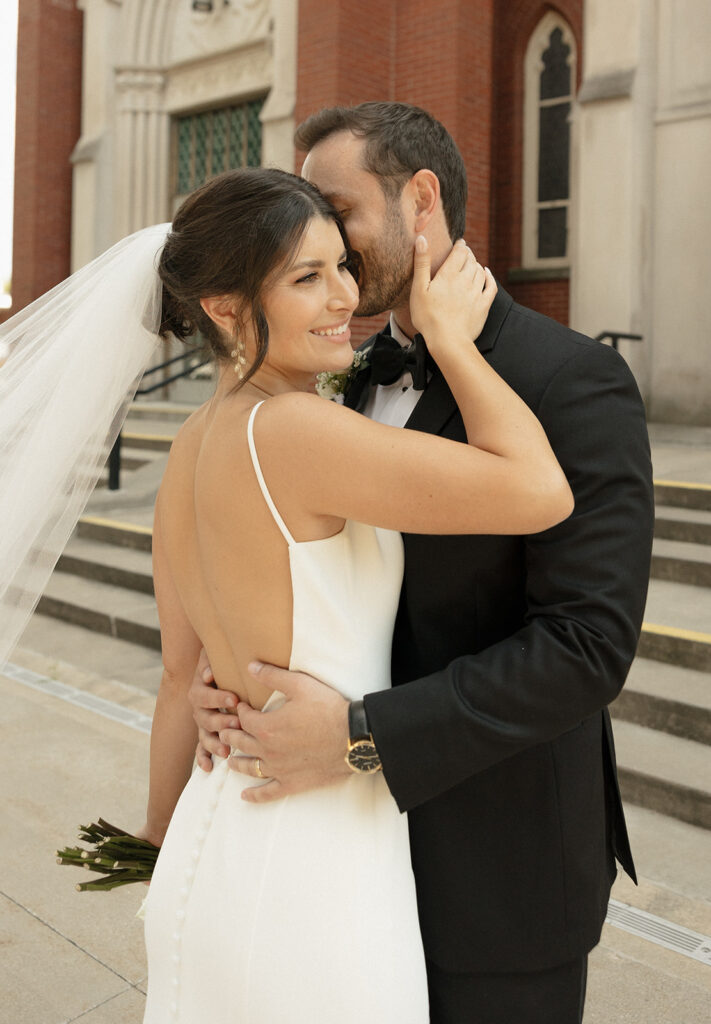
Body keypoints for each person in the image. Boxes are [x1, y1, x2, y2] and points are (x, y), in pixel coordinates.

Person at [189, 104, 655, 1023]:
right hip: (347, 863)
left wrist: (362, 734)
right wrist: (230, 669)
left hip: (499, 870)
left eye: (335, 209)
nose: (317, 236)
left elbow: (586, 647)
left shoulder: (572, 381)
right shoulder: (343, 375)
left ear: (422, 200)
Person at [133, 165, 572, 1023]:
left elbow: (178, 683)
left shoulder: (189, 445)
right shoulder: (295, 430)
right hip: (315, 851)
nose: (346, 297)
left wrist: (155, 840)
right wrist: (451, 341)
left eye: (341, 264)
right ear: (224, 308)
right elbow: (539, 490)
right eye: (306, 277)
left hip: (215, 837)